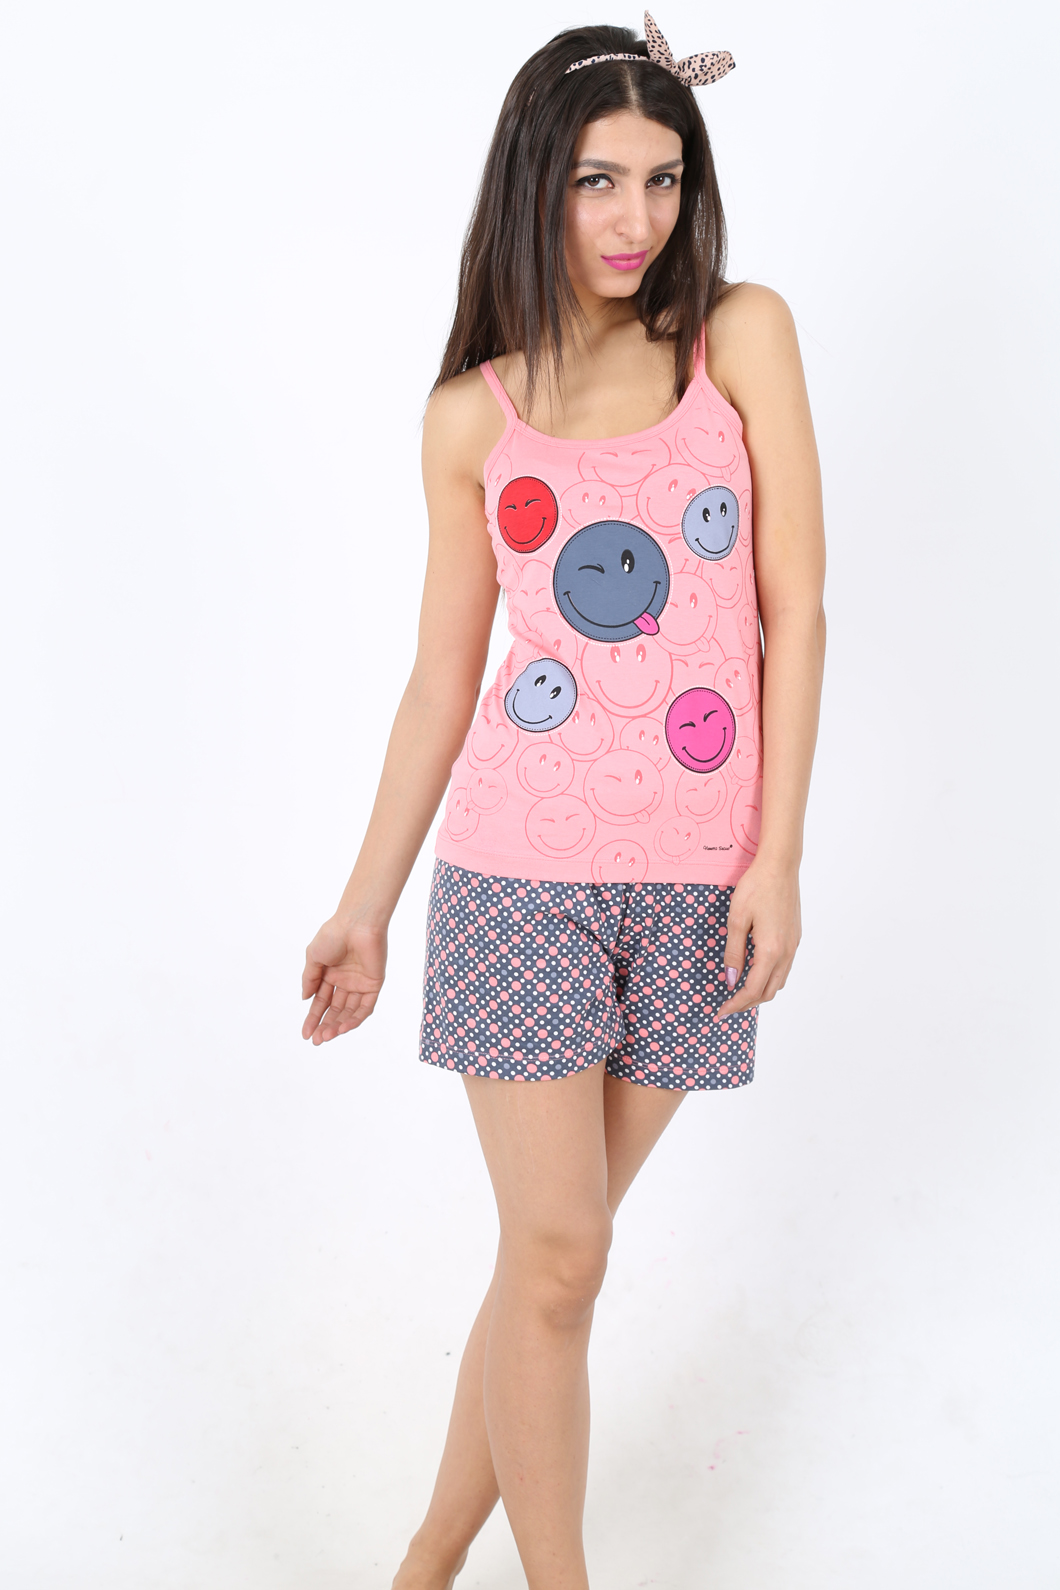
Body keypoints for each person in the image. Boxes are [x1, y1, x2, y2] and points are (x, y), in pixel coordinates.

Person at [300, 14, 826, 1588]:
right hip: (518, 875)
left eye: (664, 179)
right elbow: (438, 683)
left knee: (550, 1269)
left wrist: (778, 858)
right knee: (561, 1251)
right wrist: (364, 904)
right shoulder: (475, 415)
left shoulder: (741, 338)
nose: (634, 217)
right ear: (538, 179)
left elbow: (796, 607)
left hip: (699, 880)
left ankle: (423, 1560)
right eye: (599, 179)